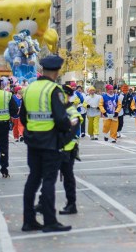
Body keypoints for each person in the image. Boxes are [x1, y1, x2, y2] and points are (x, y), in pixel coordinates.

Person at [21, 55, 72, 233]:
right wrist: (68, 125)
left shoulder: (29, 89)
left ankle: (28, 220)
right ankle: (50, 221)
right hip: (50, 141)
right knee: (49, 180)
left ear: (42, 70)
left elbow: (23, 117)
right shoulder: (54, 89)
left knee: (33, 179)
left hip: (32, 140)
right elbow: (60, 118)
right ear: (57, 71)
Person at [58, 84, 83, 216]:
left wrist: (61, 144)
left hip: (67, 150)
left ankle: (71, 204)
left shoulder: (72, 112)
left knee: (68, 177)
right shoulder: (58, 110)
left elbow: (72, 132)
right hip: (57, 149)